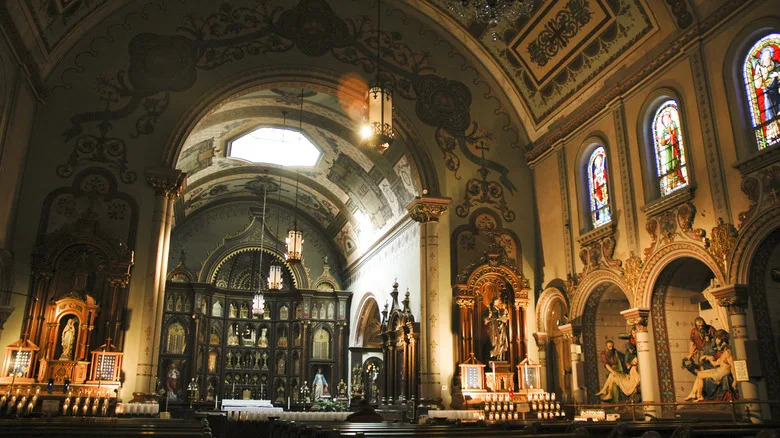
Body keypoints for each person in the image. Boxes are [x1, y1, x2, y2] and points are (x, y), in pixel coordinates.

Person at [685, 330, 737, 401]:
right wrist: (707, 358)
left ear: (724, 341)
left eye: (720, 340)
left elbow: (733, 366)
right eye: (717, 339)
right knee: (700, 374)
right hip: (719, 370)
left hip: (722, 372)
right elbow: (715, 363)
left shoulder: (727, 352)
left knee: (700, 374)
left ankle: (699, 396)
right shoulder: (723, 352)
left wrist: (735, 380)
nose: (718, 341)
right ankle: (694, 394)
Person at [751, 45, 780, 144]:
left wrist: (777, 75)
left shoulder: (775, 64)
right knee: (770, 115)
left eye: (769, 56)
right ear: (763, 58)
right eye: (765, 56)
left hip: (777, 92)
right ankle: (774, 136)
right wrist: (759, 73)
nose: (767, 58)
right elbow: (758, 85)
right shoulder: (760, 69)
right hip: (767, 95)